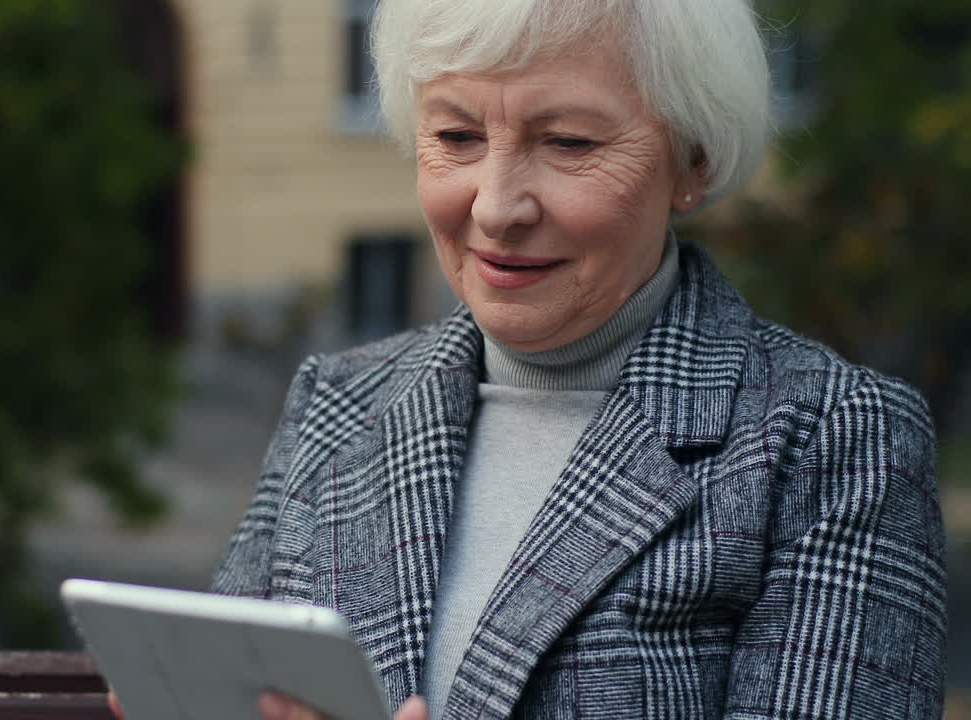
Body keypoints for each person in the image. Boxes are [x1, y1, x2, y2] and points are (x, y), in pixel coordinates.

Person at [114, 0, 946, 717]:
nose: (497, 205)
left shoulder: (833, 444)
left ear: (691, 161)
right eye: (456, 135)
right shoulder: (337, 402)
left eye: (570, 143)